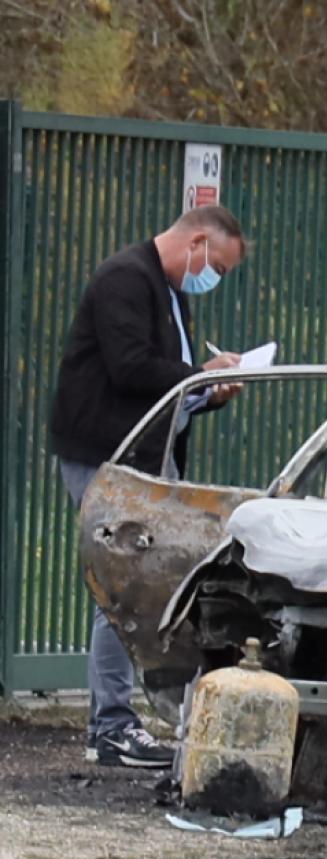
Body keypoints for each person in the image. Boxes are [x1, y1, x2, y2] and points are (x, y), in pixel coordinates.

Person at [48, 206, 248, 768]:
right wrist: (200, 377)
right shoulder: (126, 279)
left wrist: (208, 393)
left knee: (147, 588)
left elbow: (163, 381)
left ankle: (122, 721)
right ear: (199, 242)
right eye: (220, 268)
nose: (214, 280)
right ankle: (111, 726)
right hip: (110, 459)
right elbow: (132, 368)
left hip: (146, 458)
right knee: (124, 590)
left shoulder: (165, 287)